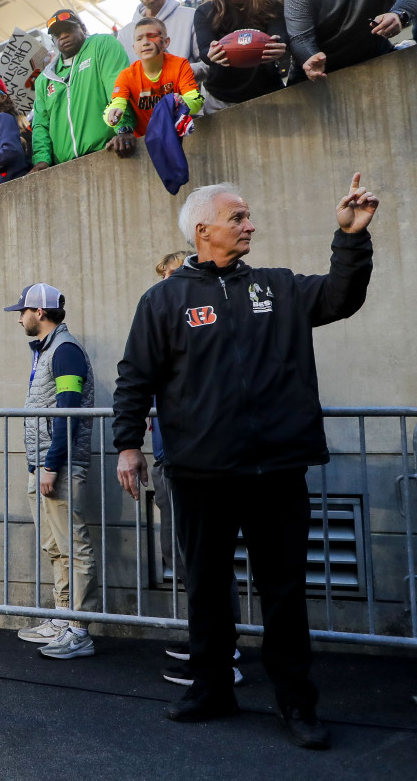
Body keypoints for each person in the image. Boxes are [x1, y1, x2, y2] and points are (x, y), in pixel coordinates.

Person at [112, 174, 378, 748]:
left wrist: (351, 239)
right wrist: (127, 445)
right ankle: (212, 687)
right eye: (238, 217)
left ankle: (296, 703)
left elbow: (340, 295)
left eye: (248, 216)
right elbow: (135, 377)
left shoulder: (278, 287)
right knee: (207, 586)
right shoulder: (163, 299)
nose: (249, 224)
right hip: (200, 472)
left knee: (284, 591)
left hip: (278, 469)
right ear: (203, 230)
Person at [5, 283, 100, 659]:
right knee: (54, 546)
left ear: (39, 313)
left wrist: (50, 464)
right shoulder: (48, 350)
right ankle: (62, 617)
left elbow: (68, 411)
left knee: (73, 546)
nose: (19, 318)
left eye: (22, 311)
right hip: (42, 464)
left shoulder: (65, 351)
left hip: (56, 465)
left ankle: (79, 629)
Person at [31, 10, 136, 172]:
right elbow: (41, 125)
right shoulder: (44, 79)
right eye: (57, 34)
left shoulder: (102, 45)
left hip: (108, 152)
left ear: (82, 28)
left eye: (68, 29)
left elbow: (117, 88)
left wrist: (124, 129)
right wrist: (41, 160)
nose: (63, 36)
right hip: (66, 168)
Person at [285, 0, 416, 83]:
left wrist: (400, 14)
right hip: (319, 77)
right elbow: (300, 37)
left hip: (375, 57)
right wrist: (310, 57)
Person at [195, 0, 290, 108]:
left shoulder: (273, 1)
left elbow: (280, 38)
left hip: (269, 90)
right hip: (221, 100)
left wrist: (279, 46)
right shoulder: (204, 11)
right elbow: (205, 51)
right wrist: (212, 53)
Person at [104, 17, 204, 138]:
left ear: (166, 42)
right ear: (134, 48)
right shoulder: (126, 75)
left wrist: (185, 102)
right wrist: (113, 113)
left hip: (177, 136)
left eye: (152, 36)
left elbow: (196, 99)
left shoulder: (180, 65)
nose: (145, 42)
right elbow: (116, 103)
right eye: (139, 39)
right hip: (145, 140)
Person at [116, 0, 206, 85]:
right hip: (145, 100)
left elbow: (207, 65)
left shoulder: (190, 17)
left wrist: (177, 71)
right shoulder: (124, 34)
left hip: (187, 97)